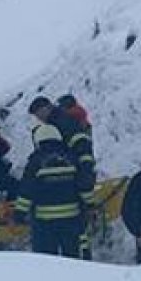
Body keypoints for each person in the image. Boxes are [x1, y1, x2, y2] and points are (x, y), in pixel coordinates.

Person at [30, 96, 96, 258]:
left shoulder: (62, 123)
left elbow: (79, 150)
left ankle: (84, 258)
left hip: (75, 175)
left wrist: (82, 174)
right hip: (76, 174)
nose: (39, 118)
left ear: (46, 108)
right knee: (77, 221)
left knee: (78, 221)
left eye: (38, 114)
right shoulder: (63, 121)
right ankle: (83, 256)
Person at [14, 124, 85, 258]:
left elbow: (27, 190)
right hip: (71, 219)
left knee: (46, 260)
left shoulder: (36, 160)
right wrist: (89, 204)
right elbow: (82, 183)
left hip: (45, 222)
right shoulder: (71, 158)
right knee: (72, 258)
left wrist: (20, 213)